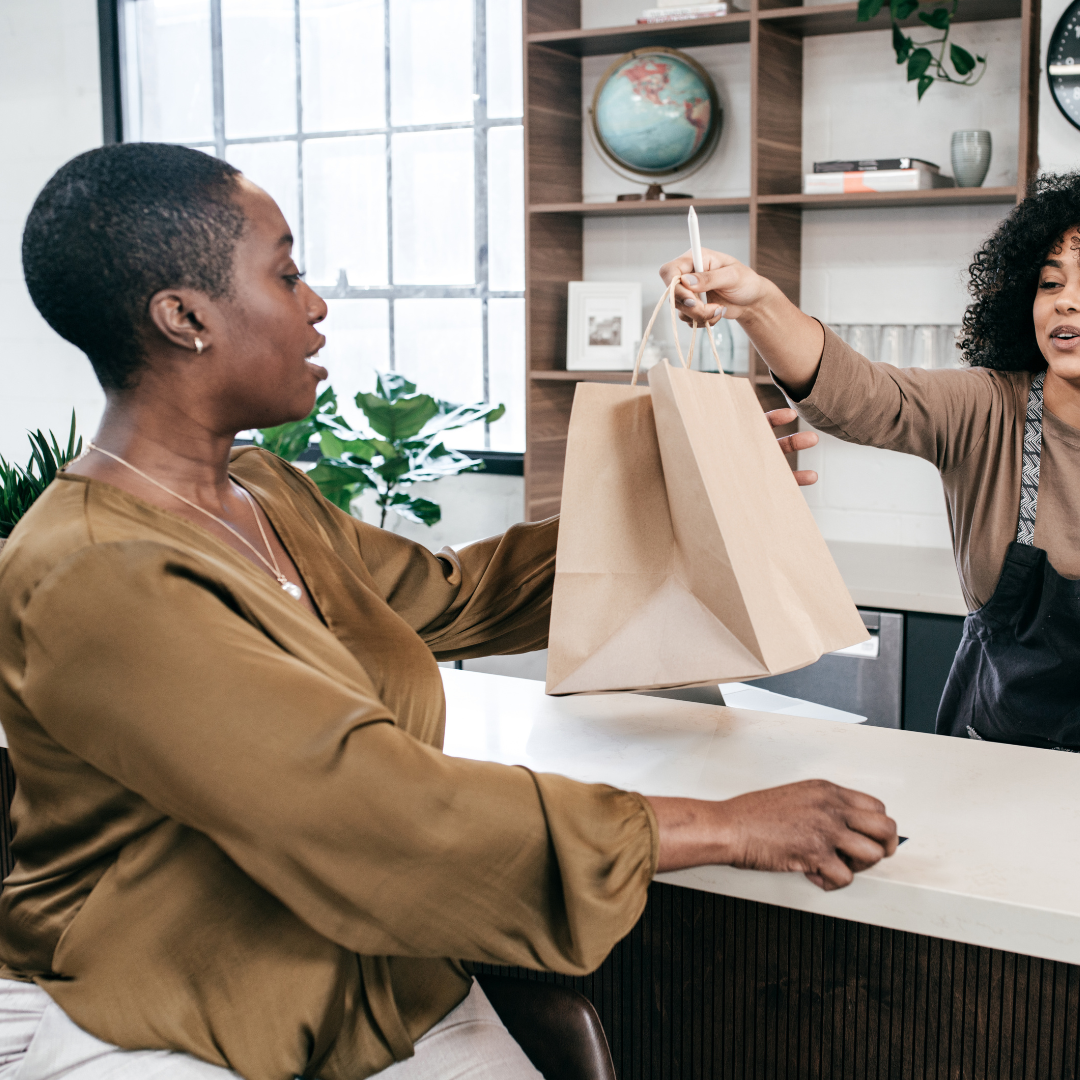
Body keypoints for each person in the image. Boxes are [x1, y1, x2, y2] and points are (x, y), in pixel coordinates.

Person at [0, 143, 898, 1080]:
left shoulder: (262, 492)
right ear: (185, 318)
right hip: (165, 1021)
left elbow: (454, 595)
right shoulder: (94, 573)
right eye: (287, 273)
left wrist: (692, 486)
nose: (316, 305)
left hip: (389, 992)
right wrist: (723, 825)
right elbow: (366, 808)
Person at [661, 172, 1080, 750]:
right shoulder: (990, 409)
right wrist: (758, 303)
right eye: (1050, 282)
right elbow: (860, 397)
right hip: (999, 762)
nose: (1066, 300)